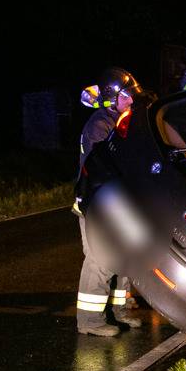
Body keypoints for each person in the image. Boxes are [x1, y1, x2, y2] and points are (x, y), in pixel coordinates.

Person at [73, 67, 143, 336]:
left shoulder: (123, 120)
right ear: (112, 98)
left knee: (125, 257)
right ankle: (89, 322)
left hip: (117, 203)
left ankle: (120, 310)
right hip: (96, 204)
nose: (131, 101)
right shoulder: (100, 125)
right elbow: (106, 166)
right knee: (99, 260)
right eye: (126, 96)